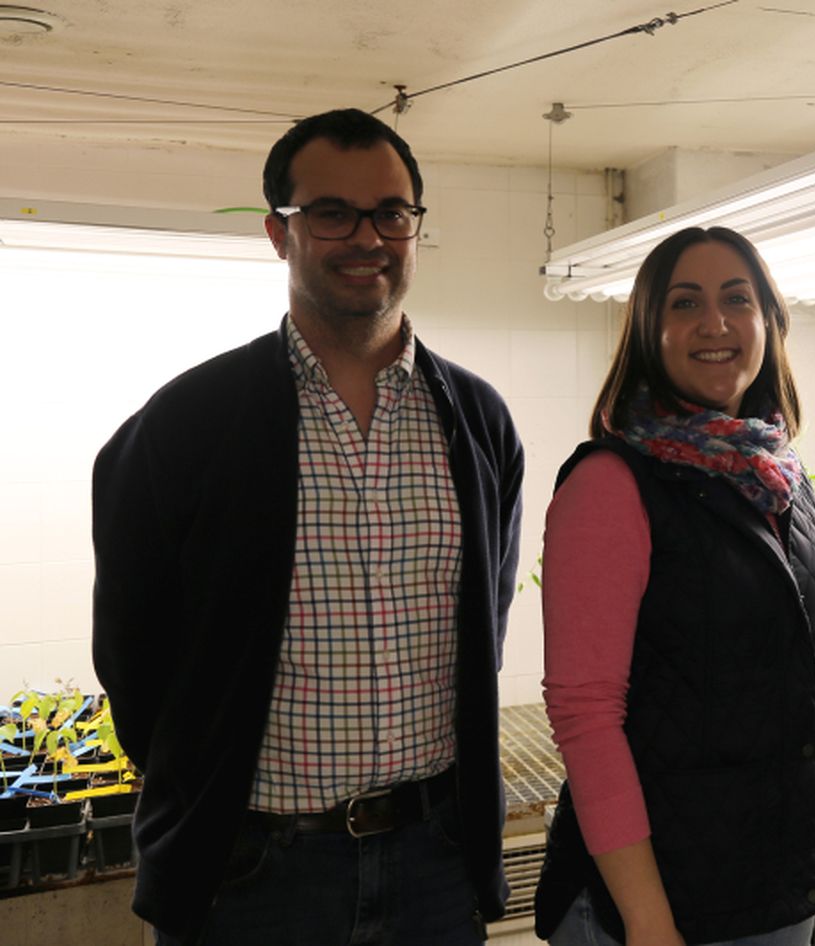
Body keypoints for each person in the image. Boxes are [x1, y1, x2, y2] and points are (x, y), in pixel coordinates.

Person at [92, 108, 523, 944]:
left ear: (415, 229)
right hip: (253, 875)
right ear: (278, 233)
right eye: (332, 213)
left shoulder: (476, 419)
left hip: (434, 863)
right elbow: (133, 659)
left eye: (392, 213)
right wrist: (210, 789)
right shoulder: (185, 424)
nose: (369, 237)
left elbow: (487, 624)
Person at [532, 226, 815, 946]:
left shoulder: (780, 478)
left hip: (773, 886)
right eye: (684, 303)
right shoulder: (610, 485)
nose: (715, 323)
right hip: (656, 904)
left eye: (737, 298)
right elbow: (585, 717)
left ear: (768, 319)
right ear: (647, 331)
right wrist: (646, 921)